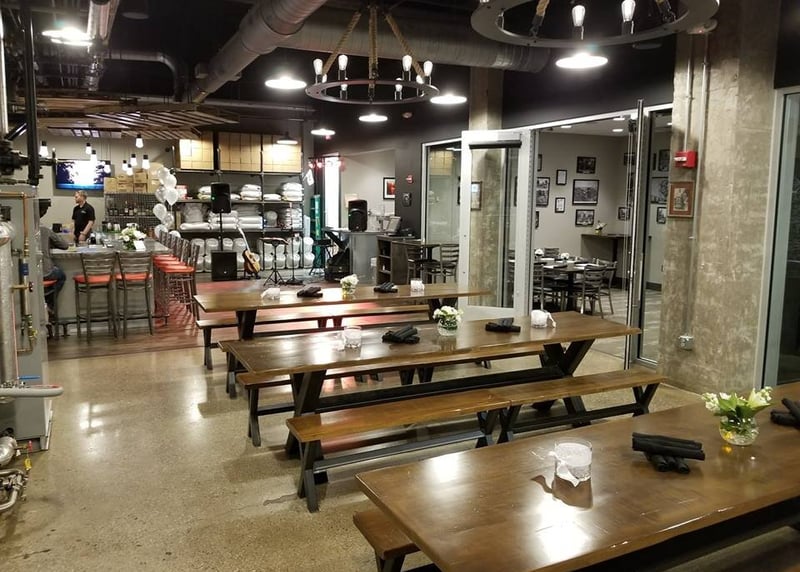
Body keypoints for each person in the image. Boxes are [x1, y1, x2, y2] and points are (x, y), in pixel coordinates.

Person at [39, 200, 69, 336]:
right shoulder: (45, 230)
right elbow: (64, 245)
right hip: (46, 272)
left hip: (29, 274)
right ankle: (49, 305)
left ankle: (44, 302)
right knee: (61, 276)